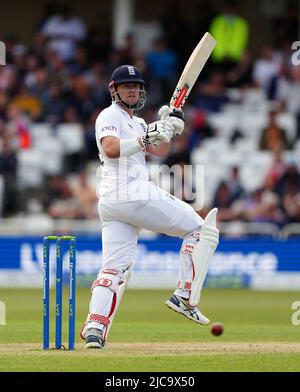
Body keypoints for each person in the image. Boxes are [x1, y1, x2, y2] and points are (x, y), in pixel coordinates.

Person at [80, 65, 219, 348]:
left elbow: (159, 150)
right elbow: (111, 148)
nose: (132, 90)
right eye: (126, 86)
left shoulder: (140, 123)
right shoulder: (108, 115)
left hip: (114, 202)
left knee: (114, 268)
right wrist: (150, 134)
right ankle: (184, 295)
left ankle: (95, 328)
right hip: (128, 191)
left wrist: (169, 127)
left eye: (137, 86)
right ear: (113, 89)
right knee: (200, 229)